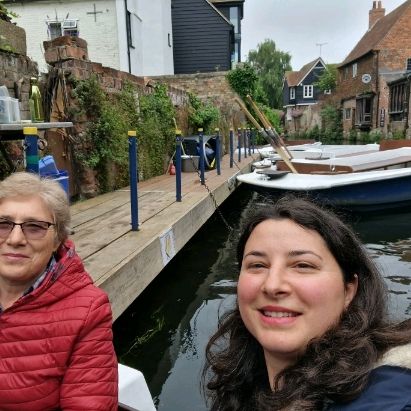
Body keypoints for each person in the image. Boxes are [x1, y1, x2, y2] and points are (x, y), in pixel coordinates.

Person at [203, 196, 411, 411]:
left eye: (303, 265)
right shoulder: (243, 384)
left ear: (348, 290)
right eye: (257, 265)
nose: (272, 285)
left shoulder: (392, 397)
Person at [0, 172, 118, 410]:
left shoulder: (87, 311)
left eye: (35, 227)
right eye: (3, 224)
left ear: (57, 240)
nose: (15, 239)